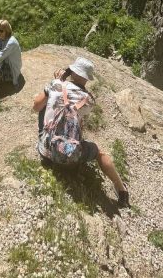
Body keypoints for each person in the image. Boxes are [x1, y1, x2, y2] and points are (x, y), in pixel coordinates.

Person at [33, 57, 130, 208]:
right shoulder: (89, 100)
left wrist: (58, 81)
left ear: (72, 70)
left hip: (46, 151)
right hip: (70, 157)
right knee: (99, 153)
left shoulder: (55, 84)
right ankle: (121, 190)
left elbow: (36, 107)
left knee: (44, 103)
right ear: (87, 78)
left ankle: (47, 140)